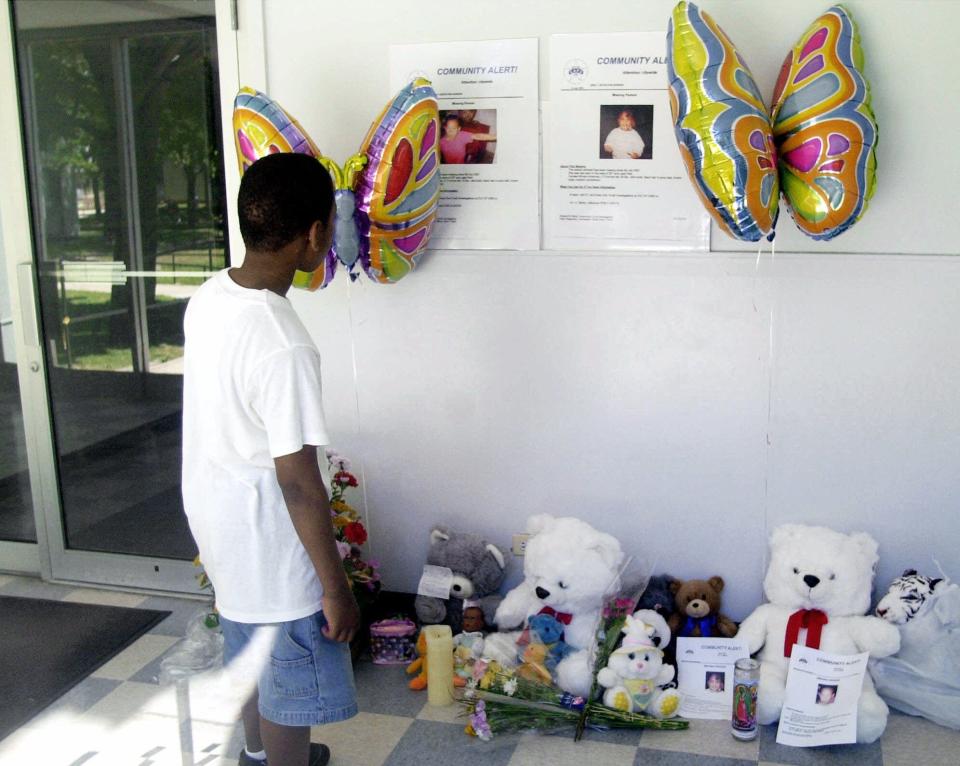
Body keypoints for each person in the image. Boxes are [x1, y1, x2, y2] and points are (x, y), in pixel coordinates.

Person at [182, 152, 360, 766]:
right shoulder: (284, 343)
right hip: (271, 544)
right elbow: (299, 484)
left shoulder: (210, 296)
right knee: (292, 683)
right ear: (314, 235)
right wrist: (335, 589)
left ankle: (255, 757)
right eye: (330, 226)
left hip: (220, 525)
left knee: (252, 653)